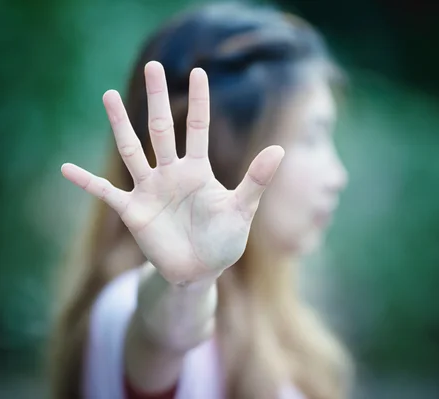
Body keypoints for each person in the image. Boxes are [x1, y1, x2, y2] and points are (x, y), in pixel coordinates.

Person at [51, 3, 353, 399]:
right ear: (224, 147)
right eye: (312, 137)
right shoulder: (125, 306)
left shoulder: (267, 313)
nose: (338, 176)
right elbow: (165, 334)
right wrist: (187, 284)